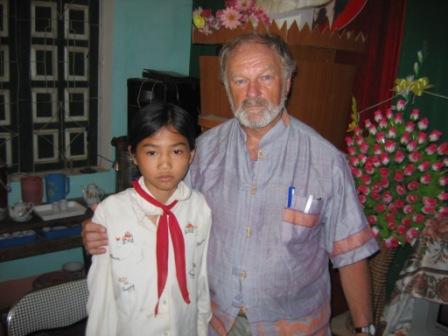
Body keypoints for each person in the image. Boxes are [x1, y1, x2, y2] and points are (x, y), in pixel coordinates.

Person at [83, 33, 379, 336]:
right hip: (215, 322)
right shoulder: (203, 151)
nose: (253, 92)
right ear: (226, 88)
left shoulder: (326, 162)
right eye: (239, 81)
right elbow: (160, 198)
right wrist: (106, 223)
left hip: (294, 327)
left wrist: (363, 328)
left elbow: (351, 255)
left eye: (265, 77)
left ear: (287, 82)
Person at [85, 103, 212, 336]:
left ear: (191, 155)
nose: (165, 164)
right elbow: (101, 297)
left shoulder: (199, 209)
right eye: (152, 152)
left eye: (176, 151)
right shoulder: (110, 213)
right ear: (133, 155)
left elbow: (201, 282)